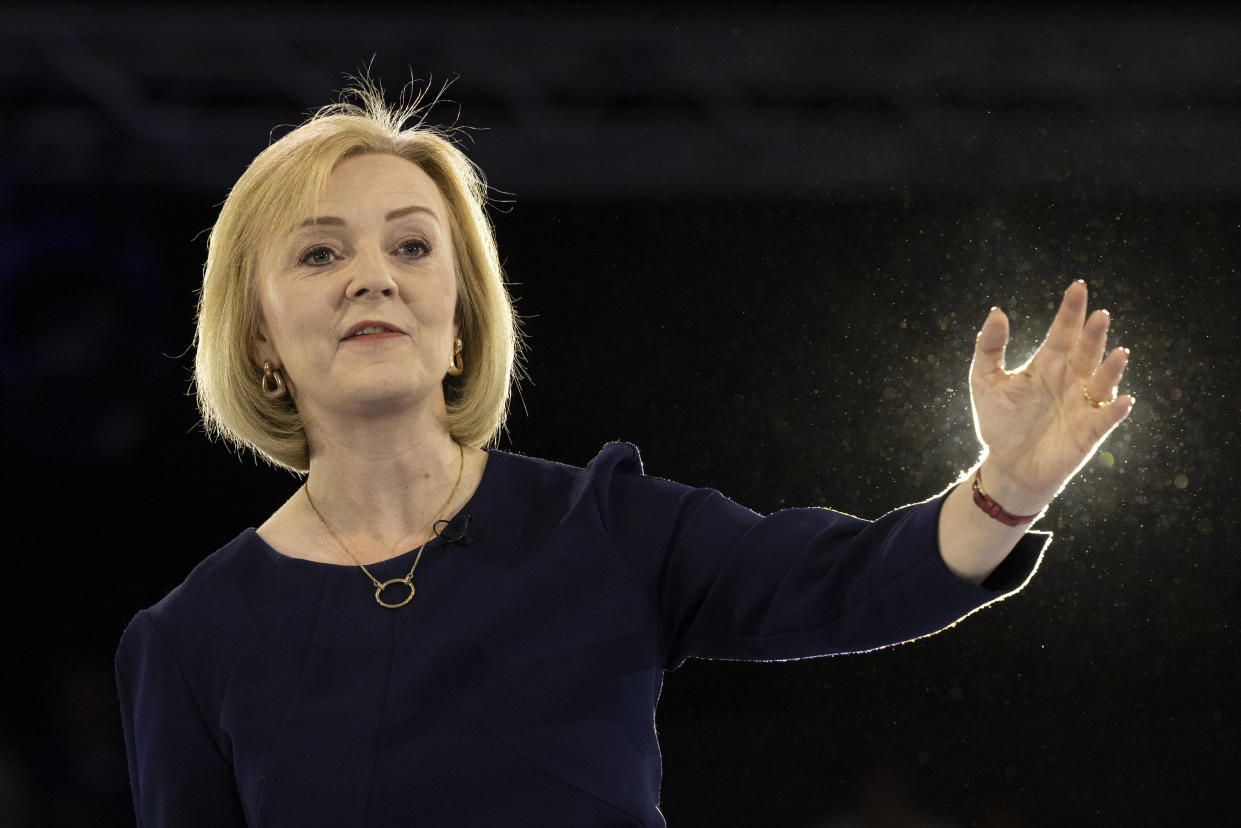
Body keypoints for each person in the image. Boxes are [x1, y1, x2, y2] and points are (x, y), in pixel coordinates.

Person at [115, 82, 1134, 827]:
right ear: (255, 336)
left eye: (413, 246)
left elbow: (851, 584)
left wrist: (1009, 485)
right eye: (320, 252)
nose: (372, 278)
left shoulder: (606, 527)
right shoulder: (190, 643)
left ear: (462, 319)